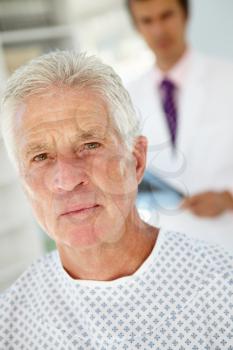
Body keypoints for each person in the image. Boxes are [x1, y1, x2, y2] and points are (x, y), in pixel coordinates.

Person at [0, 51, 232, 349]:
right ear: (23, 181)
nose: (68, 179)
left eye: (89, 145)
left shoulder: (223, 289)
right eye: (41, 156)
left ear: (136, 160)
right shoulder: (10, 327)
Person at [126, 0, 233, 251]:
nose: (159, 30)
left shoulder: (228, 79)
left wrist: (228, 198)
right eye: (147, 21)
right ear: (137, 27)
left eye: (166, 16)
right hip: (170, 248)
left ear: (185, 15)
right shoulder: (128, 98)